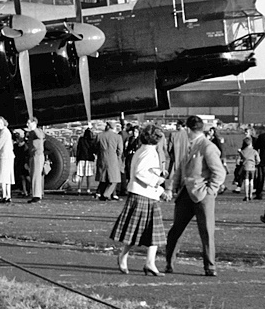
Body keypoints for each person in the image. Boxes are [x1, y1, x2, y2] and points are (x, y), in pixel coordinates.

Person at [164, 115, 226, 277]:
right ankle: (169, 263)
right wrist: (171, 187)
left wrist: (210, 190)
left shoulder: (207, 147)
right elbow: (179, 169)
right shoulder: (190, 146)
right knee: (176, 230)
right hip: (185, 194)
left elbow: (219, 172)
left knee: (206, 231)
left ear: (188, 130)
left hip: (202, 195)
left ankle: (210, 266)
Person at [110, 124, 169, 275]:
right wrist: (158, 181)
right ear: (156, 138)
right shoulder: (148, 152)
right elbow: (140, 173)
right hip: (142, 195)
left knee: (152, 232)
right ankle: (125, 257)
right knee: (139, 231)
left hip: (146, 195)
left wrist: (159, 189)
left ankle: (149, 262)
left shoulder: (143, 150)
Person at [94, 121, 124, 200]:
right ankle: (106, 194)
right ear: (113, 128)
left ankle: (100, 193)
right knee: (114, 179)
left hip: (102, 158)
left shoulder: (99, 135)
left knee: (103, 178)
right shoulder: (117, 137)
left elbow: (95, 147)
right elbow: (120, 150)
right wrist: (118, 157)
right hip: (113, 158)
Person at [0, 116, 14, 203]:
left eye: (0, 123)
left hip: (4, 156)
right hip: (9, 156)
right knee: (8, 177)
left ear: (4, 122)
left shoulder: (3, 132)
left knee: (3, 177)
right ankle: (8, 196)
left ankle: (4, 196)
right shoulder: (7, 132)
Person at [26, 117, 46, 203]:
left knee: (36, 175)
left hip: (37, 155)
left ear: (34, 123)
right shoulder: (32, 132)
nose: (27, 125)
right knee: (34, 175)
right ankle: (36, 194)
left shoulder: (37, 131)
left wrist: (34, 128)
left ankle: (37, 195)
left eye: (28, 123)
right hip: (33, 155)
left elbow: (40, 136)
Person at [237, 136, 260, 201]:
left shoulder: (242, 151)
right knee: (252, 181)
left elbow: (238, 160)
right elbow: (258, 160)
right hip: (252, 168)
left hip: (245, 167)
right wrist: (255, 163)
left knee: (246, 181)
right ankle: (251, 195)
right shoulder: (254, 151)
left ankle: (246, 195)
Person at [75, 127, 96, 193]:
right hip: (89, 158)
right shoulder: (92, 140)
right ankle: (88, 189)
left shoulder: (81, 139)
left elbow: (78, 149)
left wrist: (77, 159)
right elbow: (94, 149)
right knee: (88, 175)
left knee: (80, 175)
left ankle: (79, 188)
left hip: (81, 158)